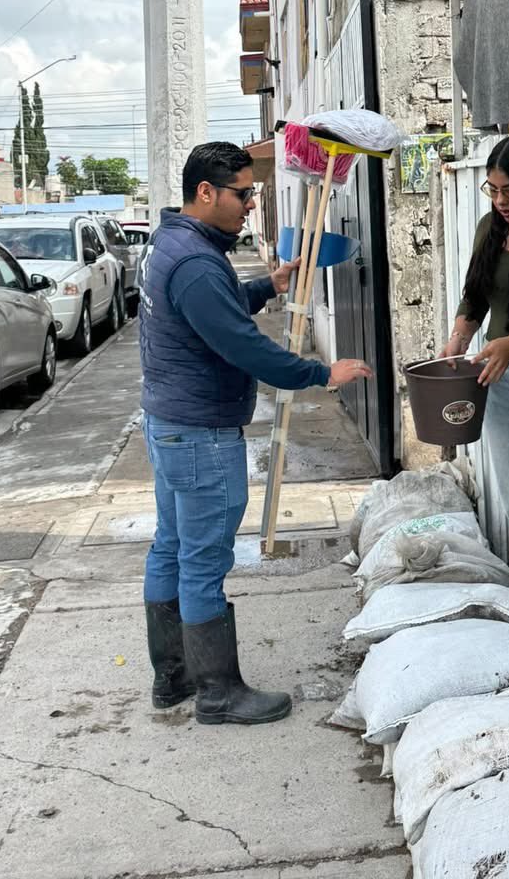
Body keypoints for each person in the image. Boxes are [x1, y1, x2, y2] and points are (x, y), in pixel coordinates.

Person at [139, 141, 372, 727]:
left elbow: (209, 307)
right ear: (205, 193)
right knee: (201, 560)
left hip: (169, 424)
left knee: (171, 547)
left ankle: (174, 678)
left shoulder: (172, 244)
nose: (250, 204)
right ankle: (217, 693)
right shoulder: (195, 262)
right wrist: (323, 372)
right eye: (243, 195)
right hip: (199, 433)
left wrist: (268, 284)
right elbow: (240, 345)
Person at [439, 138, 509, 569]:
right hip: (498, 377)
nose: (502, 200)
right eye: (493, 189)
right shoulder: (490, 229)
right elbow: (475, 299)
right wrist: (456, 341)